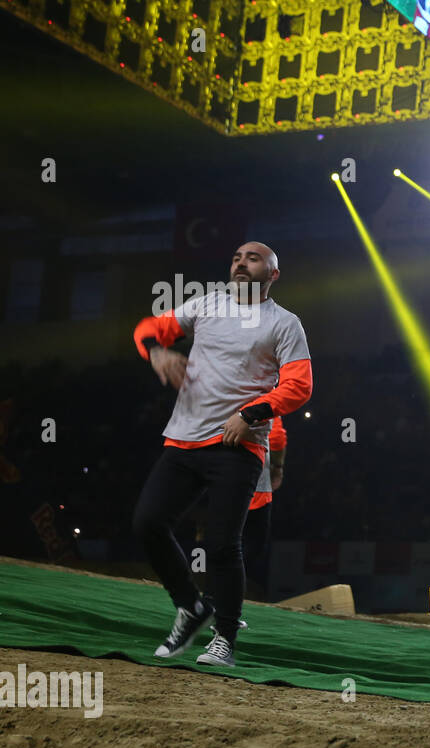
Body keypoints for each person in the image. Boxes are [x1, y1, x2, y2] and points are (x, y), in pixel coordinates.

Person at [133, 242, 312, 667]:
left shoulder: (285, 324)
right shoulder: (206, 304)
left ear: (273, 274)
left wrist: (250, 414)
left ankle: (225, 639)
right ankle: (191, 607)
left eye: (252, 258)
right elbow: (146, 329)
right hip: (183, 438)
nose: (240, 262)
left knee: (221, 543)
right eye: (235, 256)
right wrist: (157, 351)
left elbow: (300, 385)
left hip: (238, 445)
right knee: (147, 523)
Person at [242, 415, 285, 601]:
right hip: (255, 478)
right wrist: (278, 467)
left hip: (218, 474)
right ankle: (227, 599)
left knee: (228, 541)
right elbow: (277, 438)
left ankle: (218, 595)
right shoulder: (268, 395)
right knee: (252, 545)